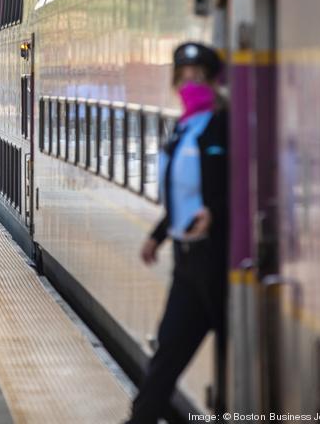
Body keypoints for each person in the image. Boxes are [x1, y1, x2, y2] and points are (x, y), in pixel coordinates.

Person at [127, 42, 229, 423]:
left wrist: (216, 214)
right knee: (168, 351)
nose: (190, 84)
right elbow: (180, 197)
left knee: (233, 353)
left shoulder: (223, 125)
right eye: (183, 78)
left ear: (214, 80)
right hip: (188, 264)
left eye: (198, 77)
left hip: (220, 262)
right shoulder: (183, 126)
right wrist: (158, 235)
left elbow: (240, 185)